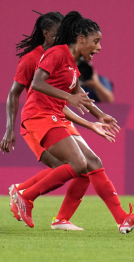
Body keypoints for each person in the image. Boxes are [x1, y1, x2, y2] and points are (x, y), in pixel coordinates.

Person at [11, 11, 134, 234]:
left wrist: (99, 115)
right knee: (77, 165)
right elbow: (37, 83)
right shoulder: (56, 53)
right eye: (96, 41)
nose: (99, 47)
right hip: (39, 115)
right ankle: (25, 196)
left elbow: (80, 94)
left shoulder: (72, 65)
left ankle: (122, 218)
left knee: (92, 163)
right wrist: (68, 97)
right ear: (80, 39)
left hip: (55, 115)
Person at [1, 11, 116, 231]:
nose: (63, 37)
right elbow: (15, 93)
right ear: (46, 34)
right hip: (37, 119)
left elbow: (70, 96)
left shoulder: (65, 58)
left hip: (56, 116)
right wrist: (9, 129)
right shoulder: (32, 60)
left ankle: (38, 203)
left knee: (78, 166)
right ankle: (25, 194)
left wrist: (95, 117)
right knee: (69, 166)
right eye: (57, 34)